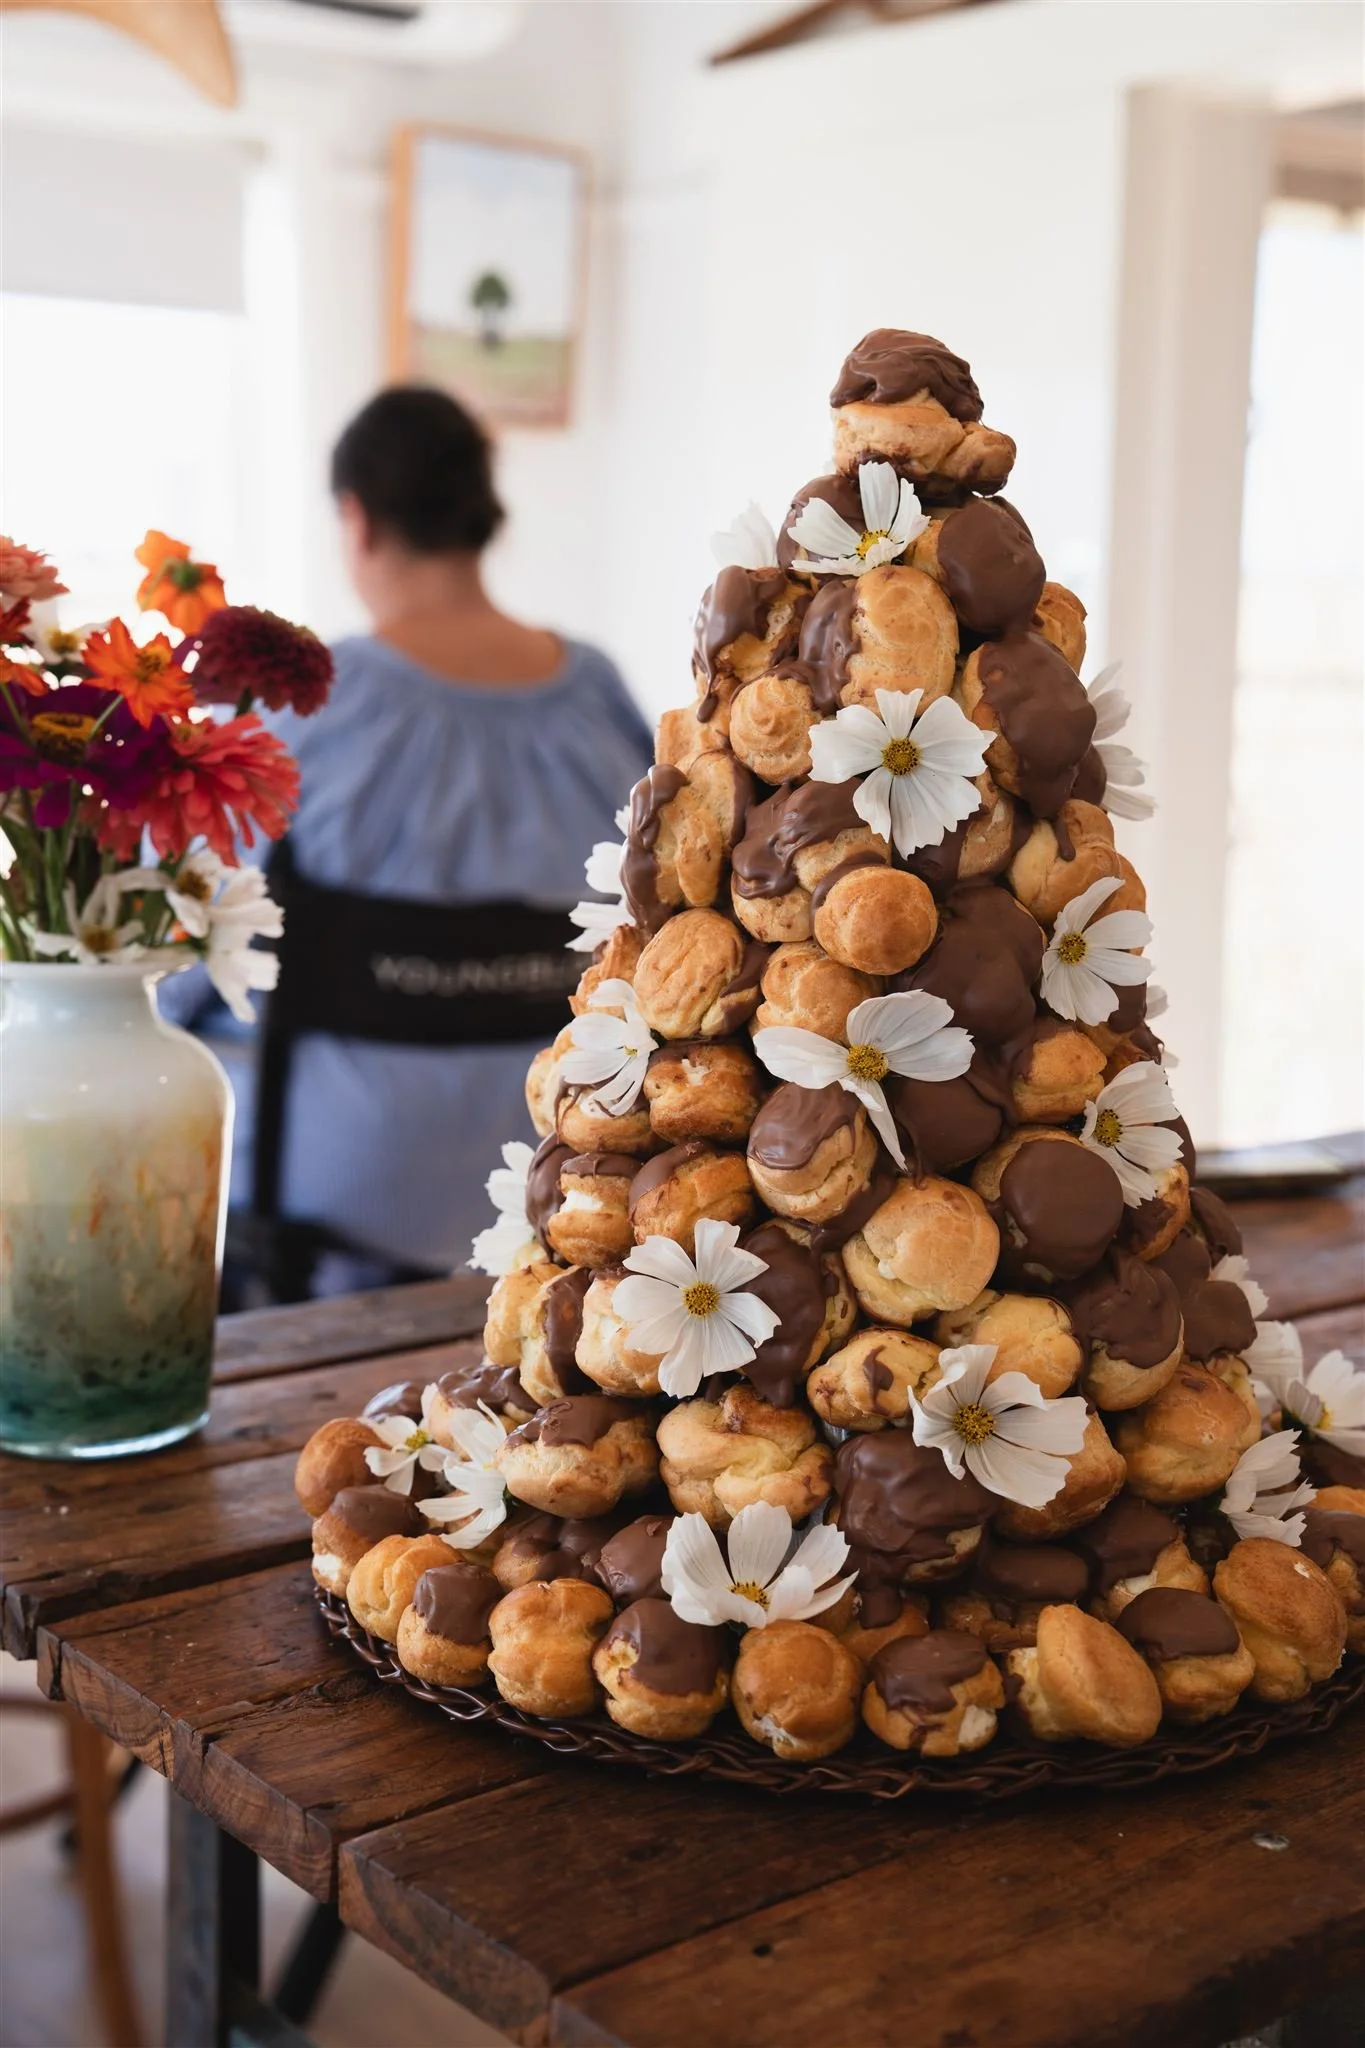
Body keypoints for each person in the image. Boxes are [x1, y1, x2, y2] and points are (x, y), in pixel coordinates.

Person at [188, 386, 652, 1295]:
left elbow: (181, 951)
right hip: (567, 1182)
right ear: (482, 514)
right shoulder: (600, 698)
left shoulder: (307, 710)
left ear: (356, 519)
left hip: (338, 1194)